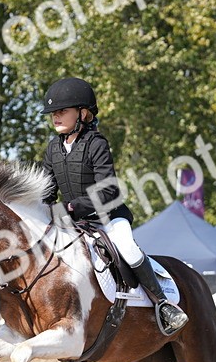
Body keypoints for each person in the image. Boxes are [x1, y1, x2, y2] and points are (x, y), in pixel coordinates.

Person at [38, 77, 188, 336]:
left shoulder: (96, 143)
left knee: (128, 248)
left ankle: (163, 305)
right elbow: (46, 192)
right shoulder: (53, 149)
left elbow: (108, 191)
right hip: (74, 222)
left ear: (82, 113)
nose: (56, 116)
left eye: (62, 111)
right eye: (53, 113)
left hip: (108, 218)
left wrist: (71, 207)